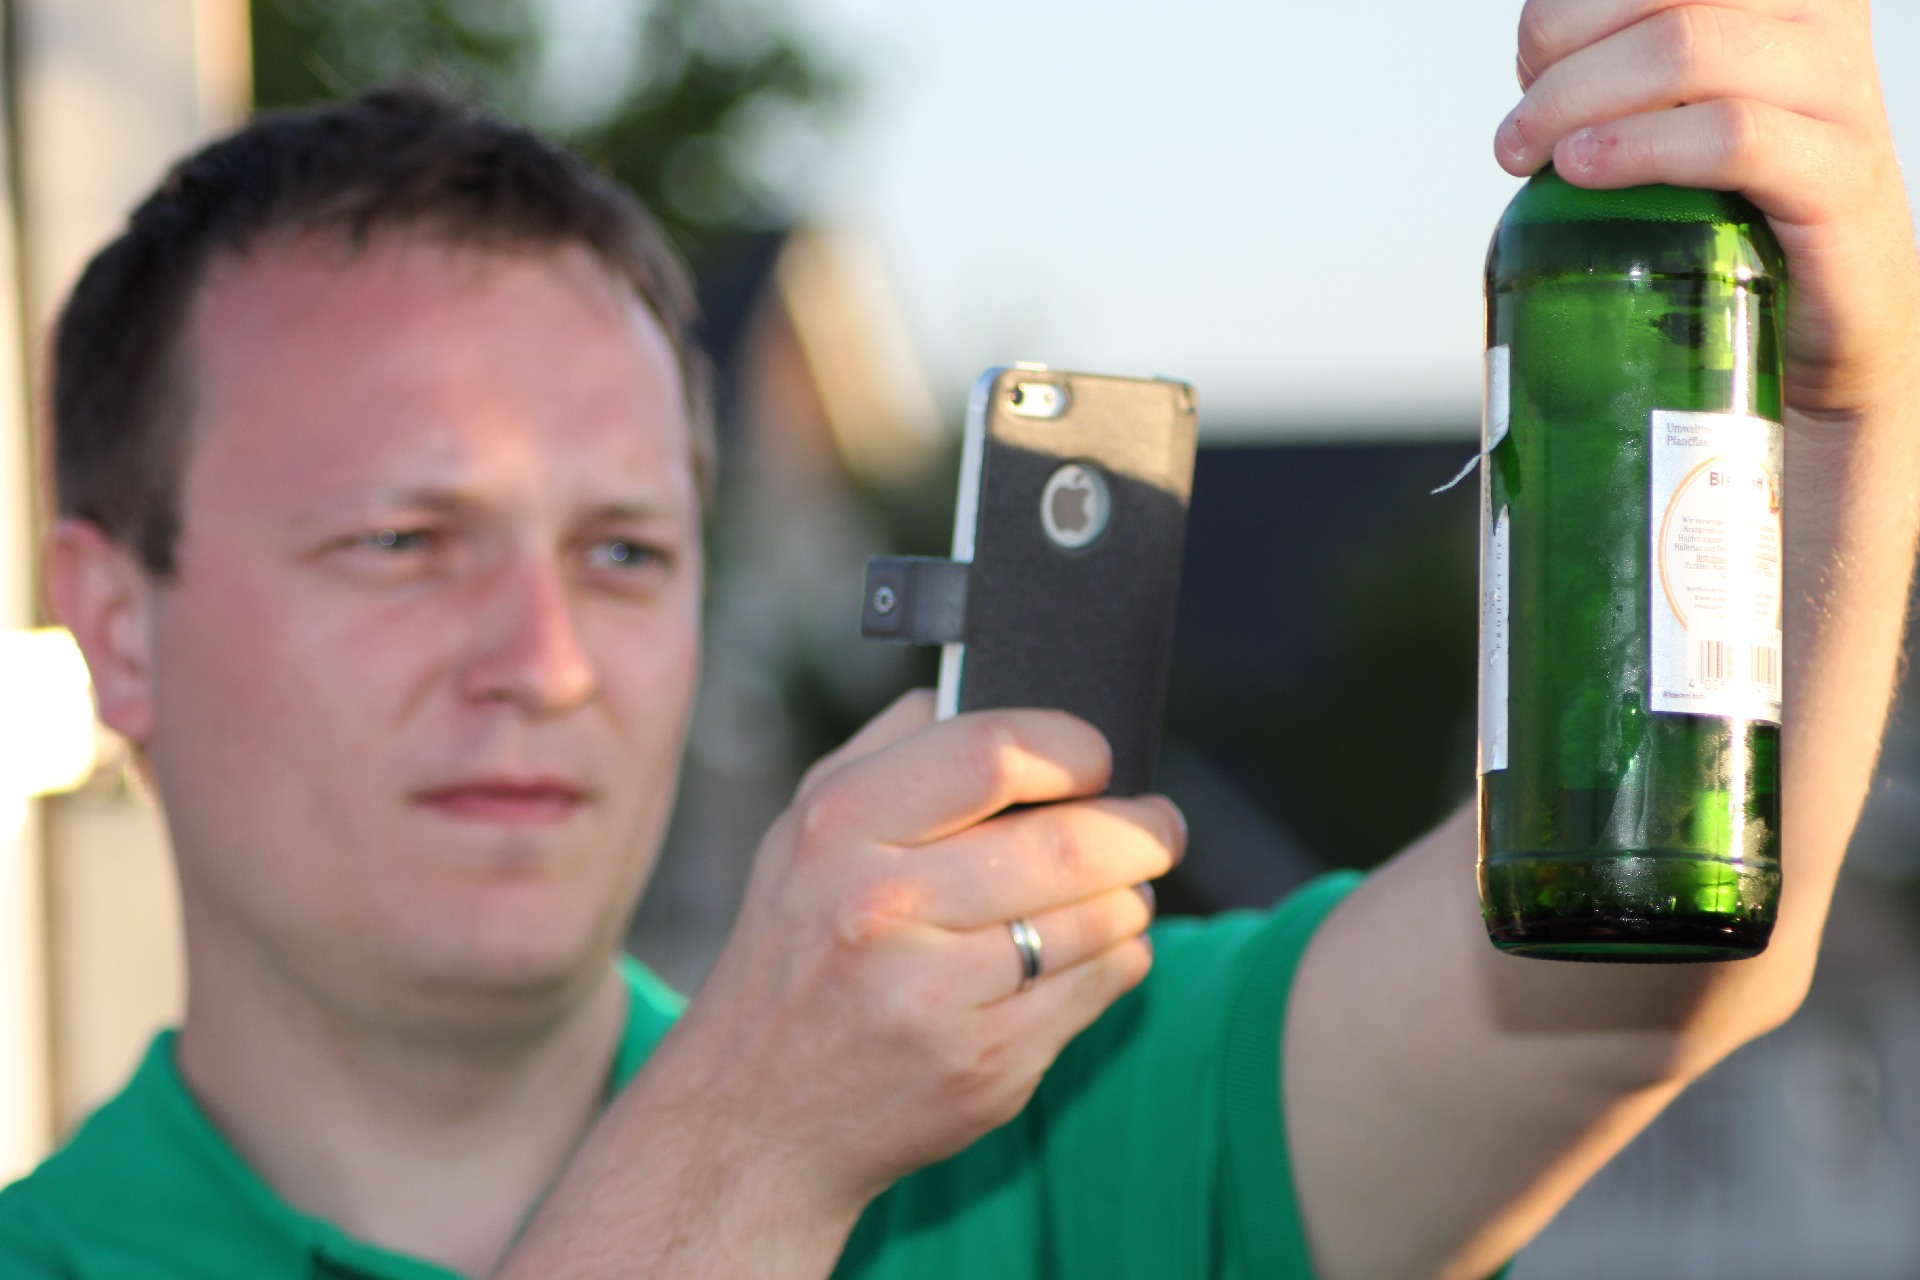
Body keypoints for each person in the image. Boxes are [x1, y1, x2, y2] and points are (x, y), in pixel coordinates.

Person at [2, 0, 1915, 1275]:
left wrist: (1833, 405)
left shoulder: (1035, 1118)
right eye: (406, 539)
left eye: (628, 550)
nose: (548, 657)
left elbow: (1643, 971)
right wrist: (748, 1150)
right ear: (114, 620)